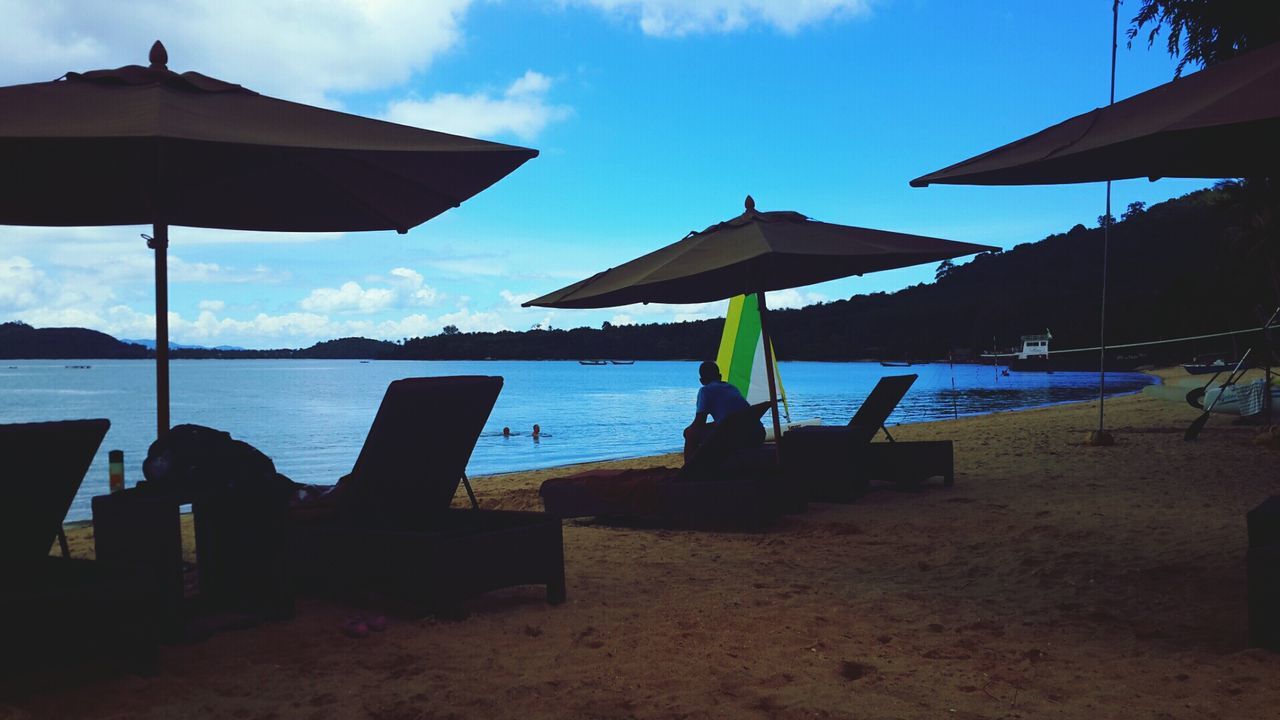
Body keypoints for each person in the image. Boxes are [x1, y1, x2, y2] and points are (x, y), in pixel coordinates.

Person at [683, 360, 750, 461]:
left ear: (702, 381)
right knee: (712, 429)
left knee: (690, 434)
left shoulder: (706, 391)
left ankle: (689, 470)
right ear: (720, 376)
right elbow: (730, 417)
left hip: (735, 435)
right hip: (754, 432)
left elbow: (699, 422)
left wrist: (687, 430)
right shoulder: (732, 388)